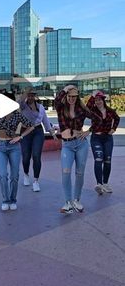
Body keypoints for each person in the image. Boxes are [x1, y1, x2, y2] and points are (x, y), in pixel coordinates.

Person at [54, 84, 99, 214]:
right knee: (66, 172)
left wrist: (88, 132)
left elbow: (96, 119)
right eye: (70, 96)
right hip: (67, 145)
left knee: (79, 173)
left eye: (74, 96)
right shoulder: (61, 108)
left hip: (81, 144)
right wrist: (66, 88)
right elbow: (57, 100)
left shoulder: (81, 109)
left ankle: (77, 200)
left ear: (77, 97)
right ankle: (68, 202)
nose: (72, 99)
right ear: (67, 95)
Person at [0, 91, 34, 211]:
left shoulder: (17, 115)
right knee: (2, 175)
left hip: (14, 146)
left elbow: (31, 126)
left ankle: (13, 199)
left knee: (14, 176)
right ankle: (5, 200)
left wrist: (20, 136)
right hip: (0, 146)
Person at [18, 87, 57, 191]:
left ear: (35, 96)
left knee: (36, 155)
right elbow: (19, 101)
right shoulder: (23, 106)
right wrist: (25, 91)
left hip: (38, 131)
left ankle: (36, 181)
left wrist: (52, 133)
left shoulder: (40, 107)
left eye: (32, 95)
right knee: (26, 156)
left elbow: (46, 122)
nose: (30, 97)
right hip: (25, 131)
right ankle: (26, 174)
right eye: (28, 95)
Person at [86, 90, 120, 194]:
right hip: (96, 138)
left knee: (107, 161)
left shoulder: (110, 111)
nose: (98, 102)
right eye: (96, 100)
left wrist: (113, 129)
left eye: (99, 100)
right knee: (98, 159)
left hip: (107, 139)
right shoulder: (93, 111)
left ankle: (105, 183)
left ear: (103, 100)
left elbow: (117, 118)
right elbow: (87, 108)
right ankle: (99, 184)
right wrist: (92, 96)